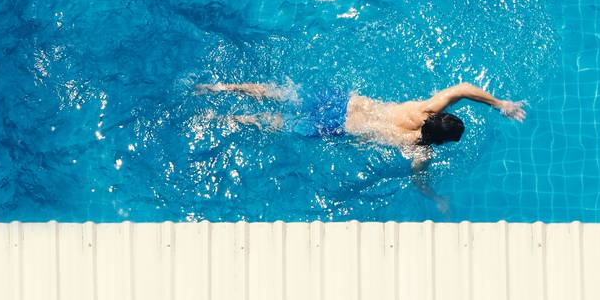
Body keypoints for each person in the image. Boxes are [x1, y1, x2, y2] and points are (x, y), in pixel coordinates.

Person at [194, 81, 527, 210]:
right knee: (276, 124)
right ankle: (227, 120)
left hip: (345, 103)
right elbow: (418, 181)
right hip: (341, 127)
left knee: (281, 94)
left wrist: (501, 103)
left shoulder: (424, 109)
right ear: (443, 142)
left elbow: (463, 88)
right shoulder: (419, 150)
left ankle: (221, 87)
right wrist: (436, 198)